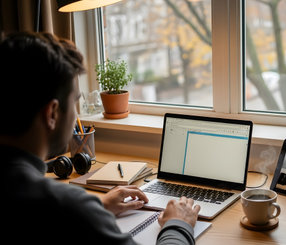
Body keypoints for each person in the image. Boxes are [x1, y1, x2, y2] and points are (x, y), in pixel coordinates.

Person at [0, 32, 200, 244]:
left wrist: (97, 209)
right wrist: (178, 224)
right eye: (74, 103)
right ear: (52, 113)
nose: (76, 117)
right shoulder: (67, 207)